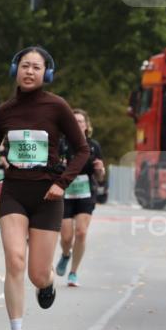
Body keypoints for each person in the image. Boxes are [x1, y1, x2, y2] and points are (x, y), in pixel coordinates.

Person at [0, 47, 88, 330]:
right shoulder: (4, 111)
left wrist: (61, 183)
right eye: (25, 66)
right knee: (14, 260)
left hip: (47, 196)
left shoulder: (57, 106)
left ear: (46, 73)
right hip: (13, 192)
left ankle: (48, 281)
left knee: (37, 274)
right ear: (16, 70)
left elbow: (82, 150)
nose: (29, 72)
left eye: (36, 67)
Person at [55, 108, 105, 287]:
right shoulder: (61, 145)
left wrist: (100, 169)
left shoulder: (93, 146)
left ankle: (73, 272)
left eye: (80, 121)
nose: (77, 124)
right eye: (74, 121)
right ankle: (65, 254)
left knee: (81, 233)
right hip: (65, 193)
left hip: (86, 192)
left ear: (86, 125)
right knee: (66, 237)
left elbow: (100, 176)